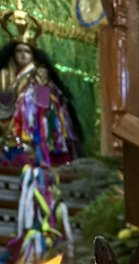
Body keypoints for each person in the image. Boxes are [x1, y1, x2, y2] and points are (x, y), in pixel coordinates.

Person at [0, 1, 79, 166]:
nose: (22, 55)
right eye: (18, 51)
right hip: (11, 131)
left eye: (26, 51)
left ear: (33, 55)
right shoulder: (7, 75)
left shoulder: (39, 75)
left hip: (35, 132)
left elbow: (44, 103)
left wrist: (37, 91)